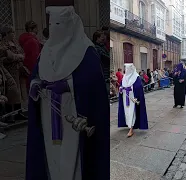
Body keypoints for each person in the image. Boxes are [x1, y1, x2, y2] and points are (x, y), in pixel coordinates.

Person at [26, 6, 109, 180]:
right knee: (51, 154)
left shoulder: (86, 51)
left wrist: (66, 85)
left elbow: (93, 86)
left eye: (59, 24)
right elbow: (36, 76)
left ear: (70, 24)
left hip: (74, 115)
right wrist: (35, 85)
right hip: (47, 114)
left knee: (73, 157)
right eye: (52, 24)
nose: (55, 28)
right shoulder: (46, 52)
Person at [1, 25, 29, 120]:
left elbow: (22, 52)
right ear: (6, 34)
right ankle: (10, 114)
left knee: (19, 92)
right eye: (11, 32)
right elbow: (6, 58)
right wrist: (17, 57)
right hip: (8, 70)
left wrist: (19, 57)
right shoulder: (3, 44)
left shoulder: (15, 42)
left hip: (18, 69)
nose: (13, 34)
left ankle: (18, 112)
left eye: (13, 32)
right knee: (11, 92)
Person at [118, 63, 148, 137]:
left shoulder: (136, 77)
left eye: (127, 69)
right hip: (125, 98)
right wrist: (121, 89)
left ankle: (131, 128)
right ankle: (129, 124)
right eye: (126, 69)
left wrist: (130, 89)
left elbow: (138, 87)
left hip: (133, 99)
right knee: (127, 112)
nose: (126, 70)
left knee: (132, 112)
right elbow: (121, 86)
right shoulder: (124, 77)